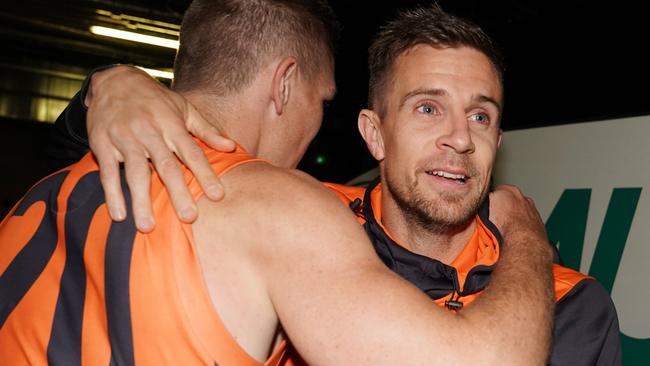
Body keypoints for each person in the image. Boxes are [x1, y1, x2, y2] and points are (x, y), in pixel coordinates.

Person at [51, 3, 622, 365]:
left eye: (481, 116)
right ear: (374, 134)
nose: (459, 139)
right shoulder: (297, 219)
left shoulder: (565, 302)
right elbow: (94, 177)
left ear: (499, 139)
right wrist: (110, 86)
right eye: (427, 109)